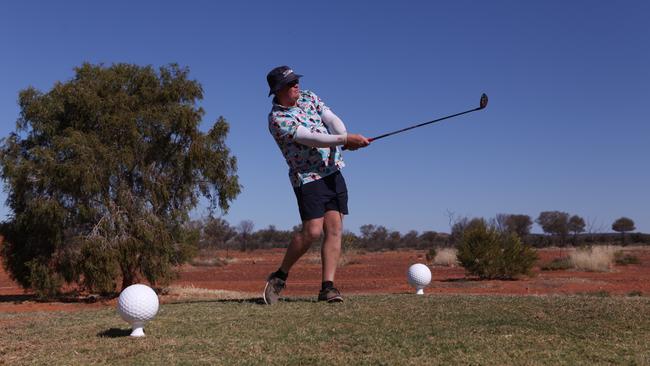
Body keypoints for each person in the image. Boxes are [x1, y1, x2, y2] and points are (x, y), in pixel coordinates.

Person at [263, 65, 370, 304]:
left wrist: (345, 137)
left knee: (334, 228)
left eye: (295, 81)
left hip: (333, 171)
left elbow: (330, 118)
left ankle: (327, 288)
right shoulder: (277, 118)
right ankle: (280, 275)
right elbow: (309, 138)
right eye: (290, 84)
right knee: (312, 231)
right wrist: (344, 140)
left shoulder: (309, 96)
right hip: (308, 177)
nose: (296, 86)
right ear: (278, 90)